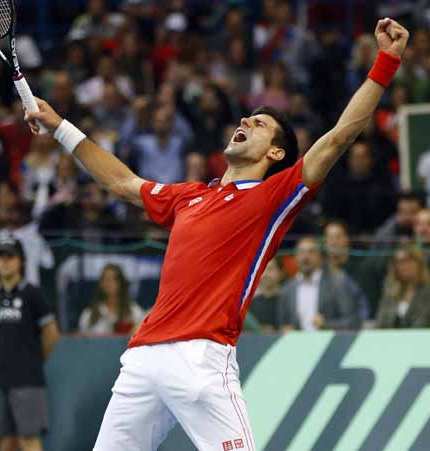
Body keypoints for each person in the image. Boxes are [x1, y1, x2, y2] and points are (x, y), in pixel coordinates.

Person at [24, 18, 409, 451]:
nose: (246, 119)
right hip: (143, 360)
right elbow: (123, 183)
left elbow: (339, 138)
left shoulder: (272, 197)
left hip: (201, 359)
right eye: (249, 117)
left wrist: (386, 61)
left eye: (261, 124)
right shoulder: (188, 197)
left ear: (275, 152)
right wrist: (60, 127)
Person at [0, 237, 60, 451]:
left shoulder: (32, 293)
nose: (5, 262)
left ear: (21, 261)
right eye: (1, 257)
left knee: (29, 440)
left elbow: (52, 332)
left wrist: (37, 358)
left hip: (27, 378)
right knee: (5, 442)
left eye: (10, 256)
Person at [278, 237, 360, 331]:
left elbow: (353, 322)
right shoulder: (287, 289)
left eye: (311, 252)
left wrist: (327, 324)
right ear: (295, 257)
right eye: (301, 252)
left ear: (320, 257)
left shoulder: (338, 284)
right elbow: (283, 324)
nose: (305, 257)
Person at [78, 264, 146, 335]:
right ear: (101, 284)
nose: (109, 283)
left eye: (114, 279)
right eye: (106, 279)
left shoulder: (135, 312)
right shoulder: (88, 315)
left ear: (121, 283)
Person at [375, 244, 430, 328]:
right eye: (399, 262)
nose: (402, 267)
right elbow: (380, 323)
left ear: (419, 263)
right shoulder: (390, 292)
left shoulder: (427, 292)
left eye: (407, 261)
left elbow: (422, 324)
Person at [249, 257, 284, 332]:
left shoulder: (288, 301)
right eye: (262, 269)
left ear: (280, 272)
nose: (265, 274)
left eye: (270, 269)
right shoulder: (250, 304)